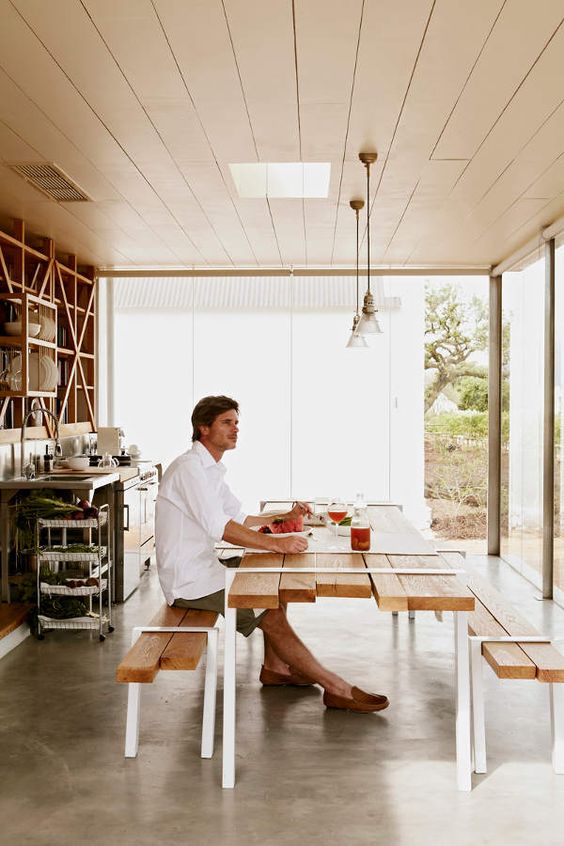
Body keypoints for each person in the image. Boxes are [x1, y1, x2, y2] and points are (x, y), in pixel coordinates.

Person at [156, 395, 389, 713]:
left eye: (237, 423)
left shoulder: (210, 470)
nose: (235, 429)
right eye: (227, 422)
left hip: (205, 566)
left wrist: (285, 515)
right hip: (189, 581)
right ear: (203, 428)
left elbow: (241, 518)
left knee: (276, 579)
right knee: (272, 611)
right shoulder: (189, 469)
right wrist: (276, 543)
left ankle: (276, 668)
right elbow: (219, 527)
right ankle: (335, 688)